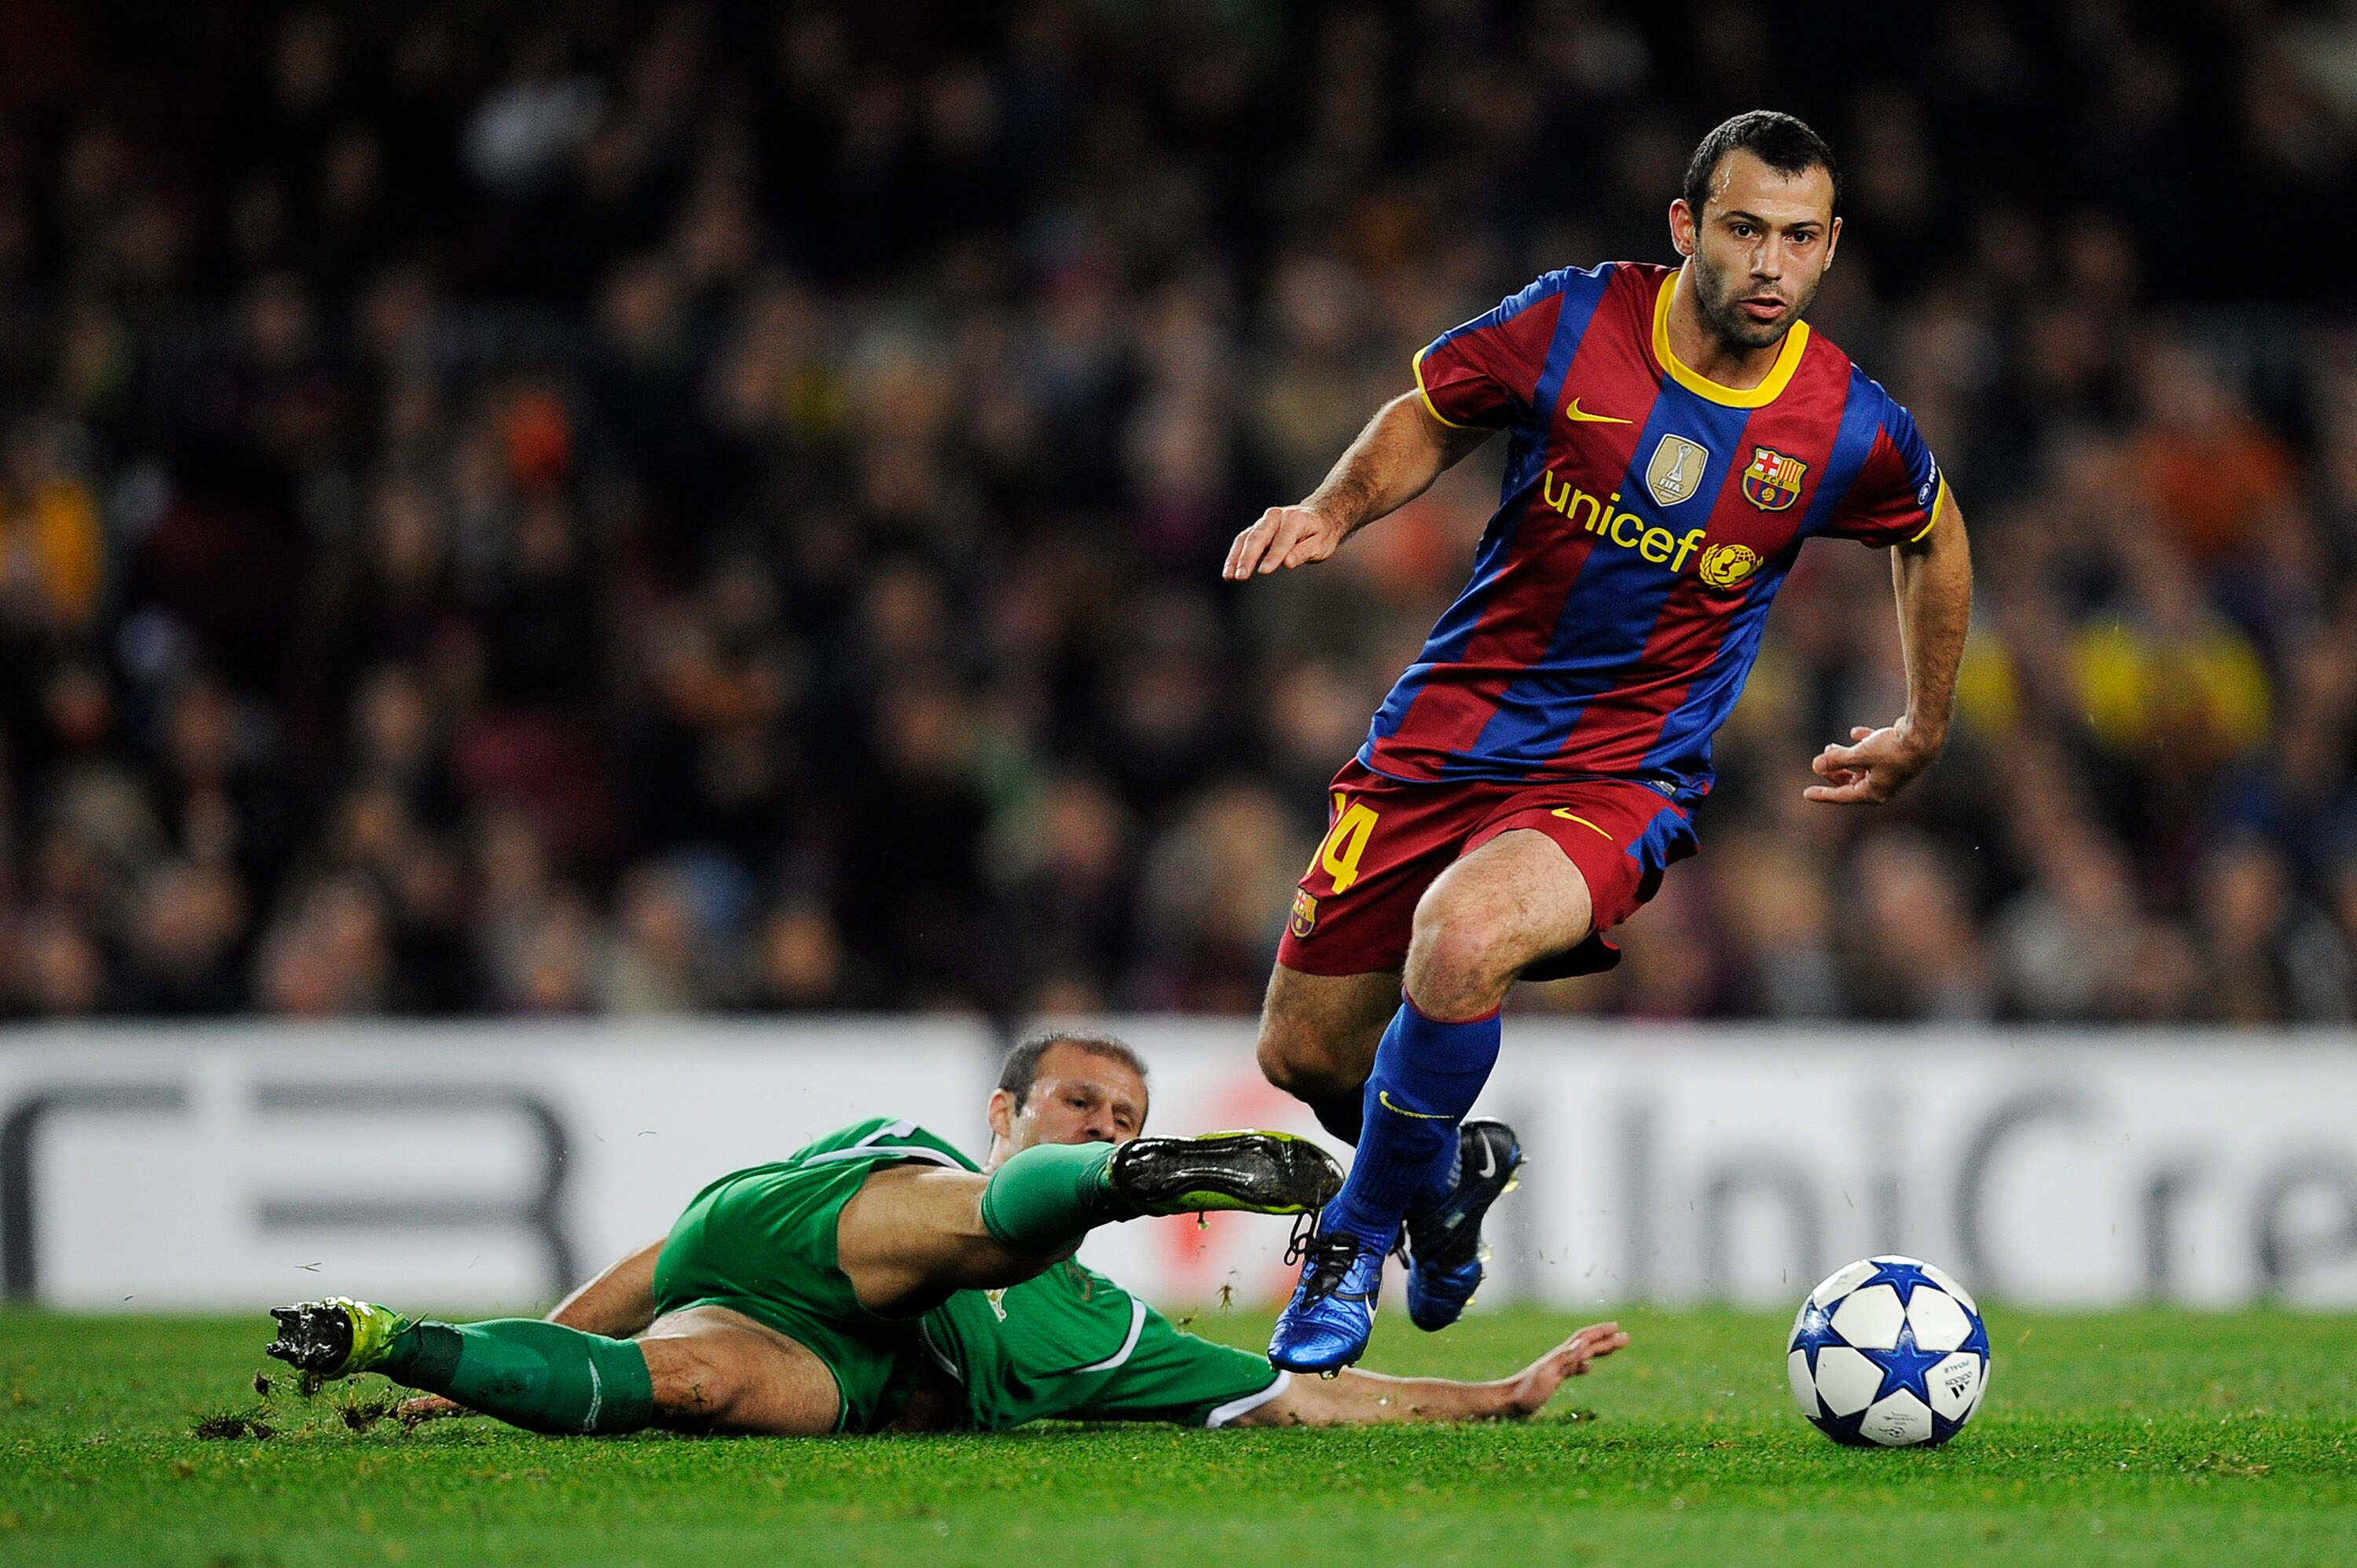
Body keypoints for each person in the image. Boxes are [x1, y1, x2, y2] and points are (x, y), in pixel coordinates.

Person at [1223, 110, 1974, 1372]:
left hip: (1619, 774)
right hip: (1445, 735)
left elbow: (1934, 536)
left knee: (1463, 942)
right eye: (1743, 231)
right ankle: (1443, 1173)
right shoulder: (1575, 320)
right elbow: (1433, 409)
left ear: (1832, 247)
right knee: (1302, 1051)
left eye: (1798, 238)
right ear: (1687, 228)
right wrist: (1333, 507)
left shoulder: (1846, 423)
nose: (1769, 265)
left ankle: (1354, 1245)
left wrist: (1925, 723)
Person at [268, 1031, 1628, 1434]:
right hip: (811, 1236)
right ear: (1005, 1107)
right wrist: (573, 1320)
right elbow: (672, 1256)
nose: (1094, 1110)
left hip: (830, 1361)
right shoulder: (900, 1145)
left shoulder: (1099, 1338)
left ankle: (390, 1341)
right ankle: (1142, 1184)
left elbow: (1297, 1400)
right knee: (984, 1225)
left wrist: (1495, 1399)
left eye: (1122, 1116)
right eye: (1080, 1105)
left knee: (695, 1387)